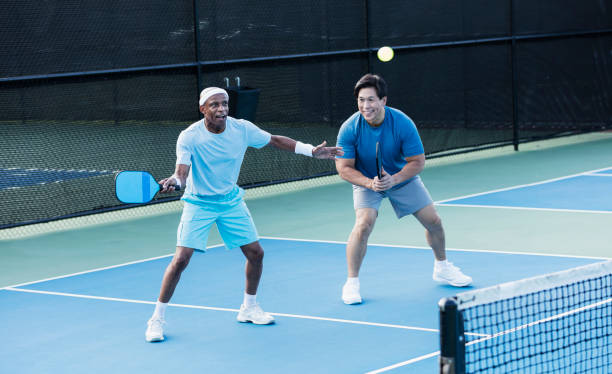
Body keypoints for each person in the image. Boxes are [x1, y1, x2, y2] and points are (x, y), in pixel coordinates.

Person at [145, 87, 343, 342]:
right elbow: (181, 173)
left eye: (225, 104)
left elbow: (274, 140)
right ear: (203, 109)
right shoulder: (189, 137)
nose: (222, 109)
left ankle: (249, 308)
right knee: (181, 259)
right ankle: (157, 319)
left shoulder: (242, 129)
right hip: (200, 203)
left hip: (230, 201)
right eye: (215, 105)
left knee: (256, 253)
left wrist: (311, 150)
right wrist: (175, 181)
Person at [335, 74, 471, 305]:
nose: (365, 106)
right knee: (363, 223)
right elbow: (344, 168)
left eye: (371, 100)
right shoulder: (349, 128)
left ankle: (442, 267)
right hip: (366, 180)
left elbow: (417, 161)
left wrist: (394, 179)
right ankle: (352, 283)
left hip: (400, 177)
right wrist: (369, 183)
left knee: (434, 221)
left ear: (383, 101)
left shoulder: (402, 123)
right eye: (361, 100)